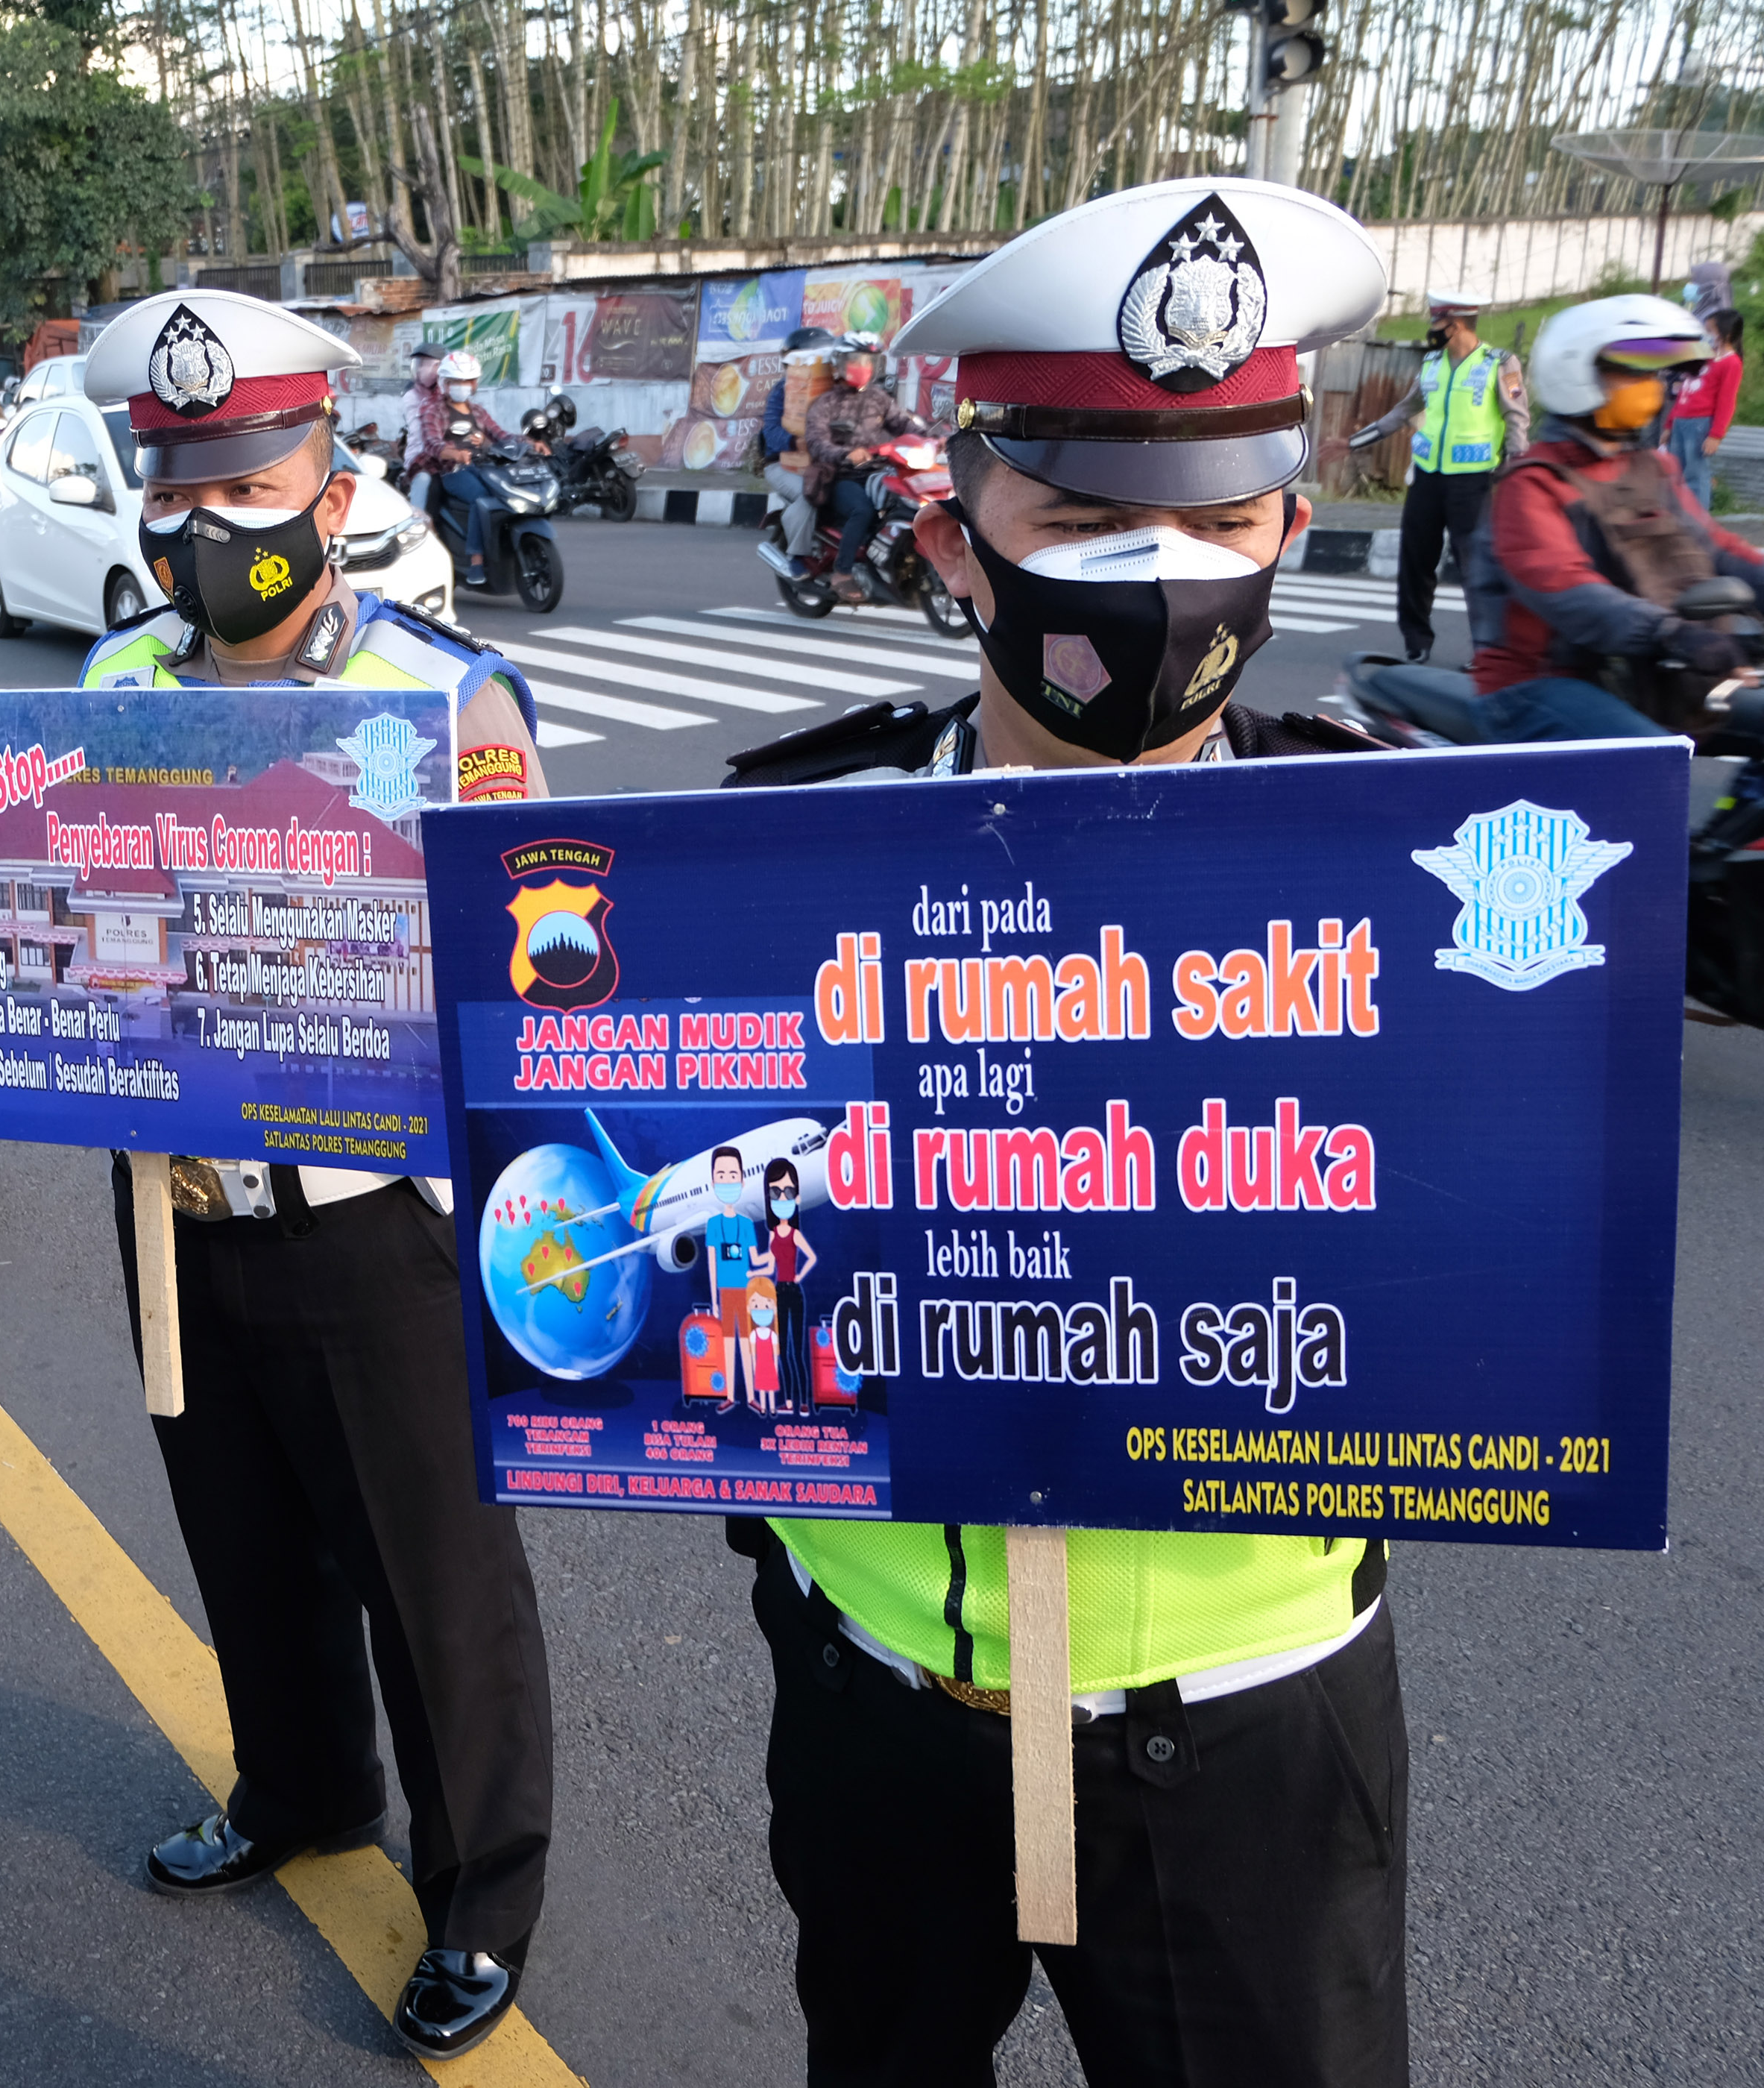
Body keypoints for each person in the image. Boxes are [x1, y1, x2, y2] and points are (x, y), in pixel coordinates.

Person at [723, 177, 1416, 2086]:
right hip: (881, 1701)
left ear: (1290, 523)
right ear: (960, 539)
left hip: (1258, 1725)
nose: (1163, 570)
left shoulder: (1402, 878)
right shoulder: (778, 853)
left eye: (1221, 515)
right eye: (1090, 518)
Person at [76, 288, 556, 2063]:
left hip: (377, 1227)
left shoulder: (446, 703)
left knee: (435, 1582)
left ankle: (483, 1894)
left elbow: (533, 978)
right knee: (242, 1532)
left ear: (332, 487)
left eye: (250, 481)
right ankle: (299, 1791)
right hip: (171, 1209)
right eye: (177, 487)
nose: (212, 525)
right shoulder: (119, 687)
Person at [1468, 292, 1764, 743]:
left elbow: (1717, 549)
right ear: (1576, 372)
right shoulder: (1532, 483)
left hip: (1639, 674)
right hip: (1538, 683)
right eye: (1631, 372)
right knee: (1655, 764)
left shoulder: (1654, 468)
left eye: (1656, 375)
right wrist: (1671, 633)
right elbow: (1569, 589)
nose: (1651, 387)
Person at [1340, 289, 1530, 661]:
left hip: (1473, 482)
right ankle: (1417, 644)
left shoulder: (1499, 364)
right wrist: (1351, 443)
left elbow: (1517, 420)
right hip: (1427, 478)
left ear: (1454, 325)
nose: (1430, 329)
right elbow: (1400, 413)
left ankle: (1488, 653)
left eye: (1435, 322)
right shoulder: (1431, 364)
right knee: (1415, 562)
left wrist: (1514, 474)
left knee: (1477, 569)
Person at [798, 333, 924, 597]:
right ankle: (842, 573)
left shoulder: (879, 399)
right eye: (856, 360)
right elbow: (817, 442)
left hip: (879, 472)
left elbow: (904, 425)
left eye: (869, 361)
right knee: (862, 511)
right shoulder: (825, 404)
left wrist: (937, 439)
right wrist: (846, 454)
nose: (863, 367)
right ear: (840, 363)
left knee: (910, 504)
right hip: (842, 477)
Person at [415, 349, 517, 588]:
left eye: (468, 381)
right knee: (481, 500)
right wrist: (455, 453)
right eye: (457, 381)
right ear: (445, 383)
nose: (463, 386)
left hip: (484, 468)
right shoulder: (434, 410)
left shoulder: (478, 412)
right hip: (452, 472)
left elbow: (502, 436)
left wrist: (531, 442)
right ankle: (476, 561)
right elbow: (432, 443)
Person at [755, 326, 837, 563]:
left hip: (825, 462)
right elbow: (770, 432)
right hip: (782, 464)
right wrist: (795, 441)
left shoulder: (836, 390)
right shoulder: (784, 391)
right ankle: (796, 557)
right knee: (809, 496)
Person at [700, 1145, 758, 1408]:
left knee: (747, 1344)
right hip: (725, 1293)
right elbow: (712, 1264)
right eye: (721, 1176)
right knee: (727, 1345)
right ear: (713, 1182)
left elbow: (755, 1260)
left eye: (733, 1175)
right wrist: (713, 1300)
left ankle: (752, 1397)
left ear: (742, 1180)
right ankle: (730, 1396)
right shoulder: (713, 1225)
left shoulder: (746, 1225)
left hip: (746, 1293)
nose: (727, 1181)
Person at [1669, 305, 1744, 510]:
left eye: (1710, 331)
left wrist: (1716, 434)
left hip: (1700, 424)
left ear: (1726, 333)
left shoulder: (1731, 363)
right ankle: (1680, 515)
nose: (1706, 335)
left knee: (1695, 473)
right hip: (1680, 421)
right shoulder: (1704, 358)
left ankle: (1699, 521)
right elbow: (1684, 390)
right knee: (1675, 470)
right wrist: (1669, 424)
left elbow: (1726, 401)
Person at [759, 1154, 816, 1416]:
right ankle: (790, 1402)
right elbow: (769, 1264)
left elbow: (811, 1257)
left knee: (797, 1350)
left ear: (797, 1197)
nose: (782, 1198)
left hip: (793, 1292)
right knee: (782, 1350)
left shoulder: (795, 1234)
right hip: (777, 1292)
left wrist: (800, 1276)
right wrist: (752, 1266)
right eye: (775, 1192)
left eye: (789, 1191)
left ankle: (804, 1402)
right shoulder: (772, 1235)